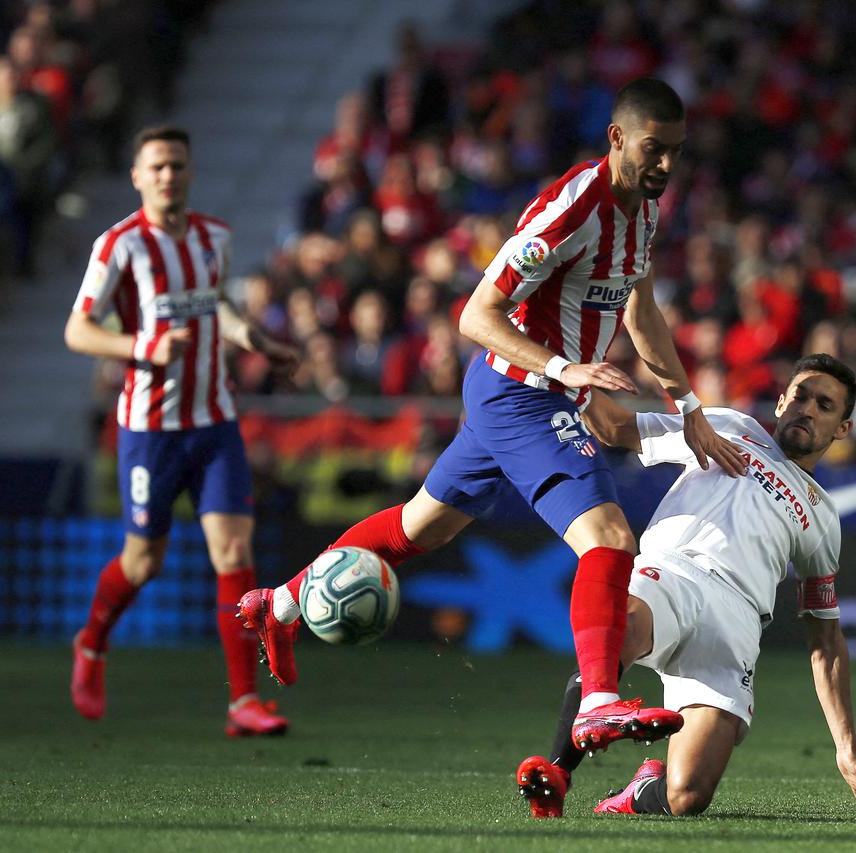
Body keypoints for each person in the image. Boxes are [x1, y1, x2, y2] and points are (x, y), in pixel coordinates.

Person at [238, 77, 746, 753]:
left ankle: (278, 604)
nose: (665, 165)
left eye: (676, 152)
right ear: (617, 136)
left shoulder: (644, 210)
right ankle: (596, 700)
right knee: (610, 537)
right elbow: (476, 314)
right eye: (655, 149)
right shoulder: (571, 210)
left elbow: (639, 309)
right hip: (524, 394)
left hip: (521, 394)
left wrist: (686, 406)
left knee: (424, 524)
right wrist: (564, 369)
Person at [516, 354, 856, 819]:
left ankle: (640, 791)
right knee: (623, 634)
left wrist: (845, 748)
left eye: (825, 405)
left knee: (688, 796)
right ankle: (557, 772)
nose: (808, 409)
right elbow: (615, 429)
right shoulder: (726, 425)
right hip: (672, 573)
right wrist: (569, 375)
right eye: (800, 396)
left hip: (735, 628)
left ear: (842, 429)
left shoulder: (822, 516)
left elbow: (826, 641)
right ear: (779, 403)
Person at [64, 125, 299, 736]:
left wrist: (252, 338)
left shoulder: (211, 236)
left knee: (235, 551)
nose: (168, 175)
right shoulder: (118, 246)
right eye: (157, 167)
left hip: (214, 420)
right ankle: (90, 642)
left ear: (189, 172)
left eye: (177, 165)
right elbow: (79, 331)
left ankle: (242, 702)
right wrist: (143, 347)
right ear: (139, 177)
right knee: (143, 563)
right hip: (150, 430)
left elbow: (213, 302)